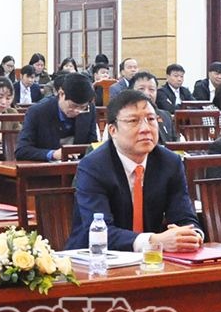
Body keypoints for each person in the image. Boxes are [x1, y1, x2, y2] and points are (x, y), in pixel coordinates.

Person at [65, 90, 204, 252]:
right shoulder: (93, 166)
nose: (146, 128)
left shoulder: (170, 162)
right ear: (113, 130)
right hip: (95, 257)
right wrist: (153, 241)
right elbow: (100, 230)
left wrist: (192, 235)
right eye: (133, 121)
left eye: (151, 119)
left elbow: (184, 217)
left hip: (153, 260)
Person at [15, 72, 98, 162]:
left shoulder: (89, 110)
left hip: (79, 166)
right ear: (61, 94)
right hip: (45, 167)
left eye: (82, 107)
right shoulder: (37, 112)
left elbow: (92, 144)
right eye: (73, 106)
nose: (77, 111)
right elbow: (22, 150)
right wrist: (53, 154)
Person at [129, 72, 179, 144]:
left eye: (151, 89)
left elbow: (175, 142)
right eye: (141, 89)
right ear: (131, 91)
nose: (146, 93)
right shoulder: (125, 118)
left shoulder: (165, 115)